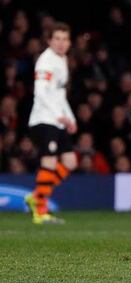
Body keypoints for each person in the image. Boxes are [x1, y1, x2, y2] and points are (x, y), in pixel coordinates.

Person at [25, 23, 78, 225]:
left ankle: (36, 196)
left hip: (57, 120)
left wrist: (70, 118)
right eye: (57, 38)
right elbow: (40, 92)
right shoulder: (46, 61)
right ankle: (40, 211)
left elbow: (60, 95)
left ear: (70, 42)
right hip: (43, 120)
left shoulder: (62, 60)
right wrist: (59, 116)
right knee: (50, 162)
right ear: (49, 41)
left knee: (70, 162)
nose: (61, 43)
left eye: (65, 39)